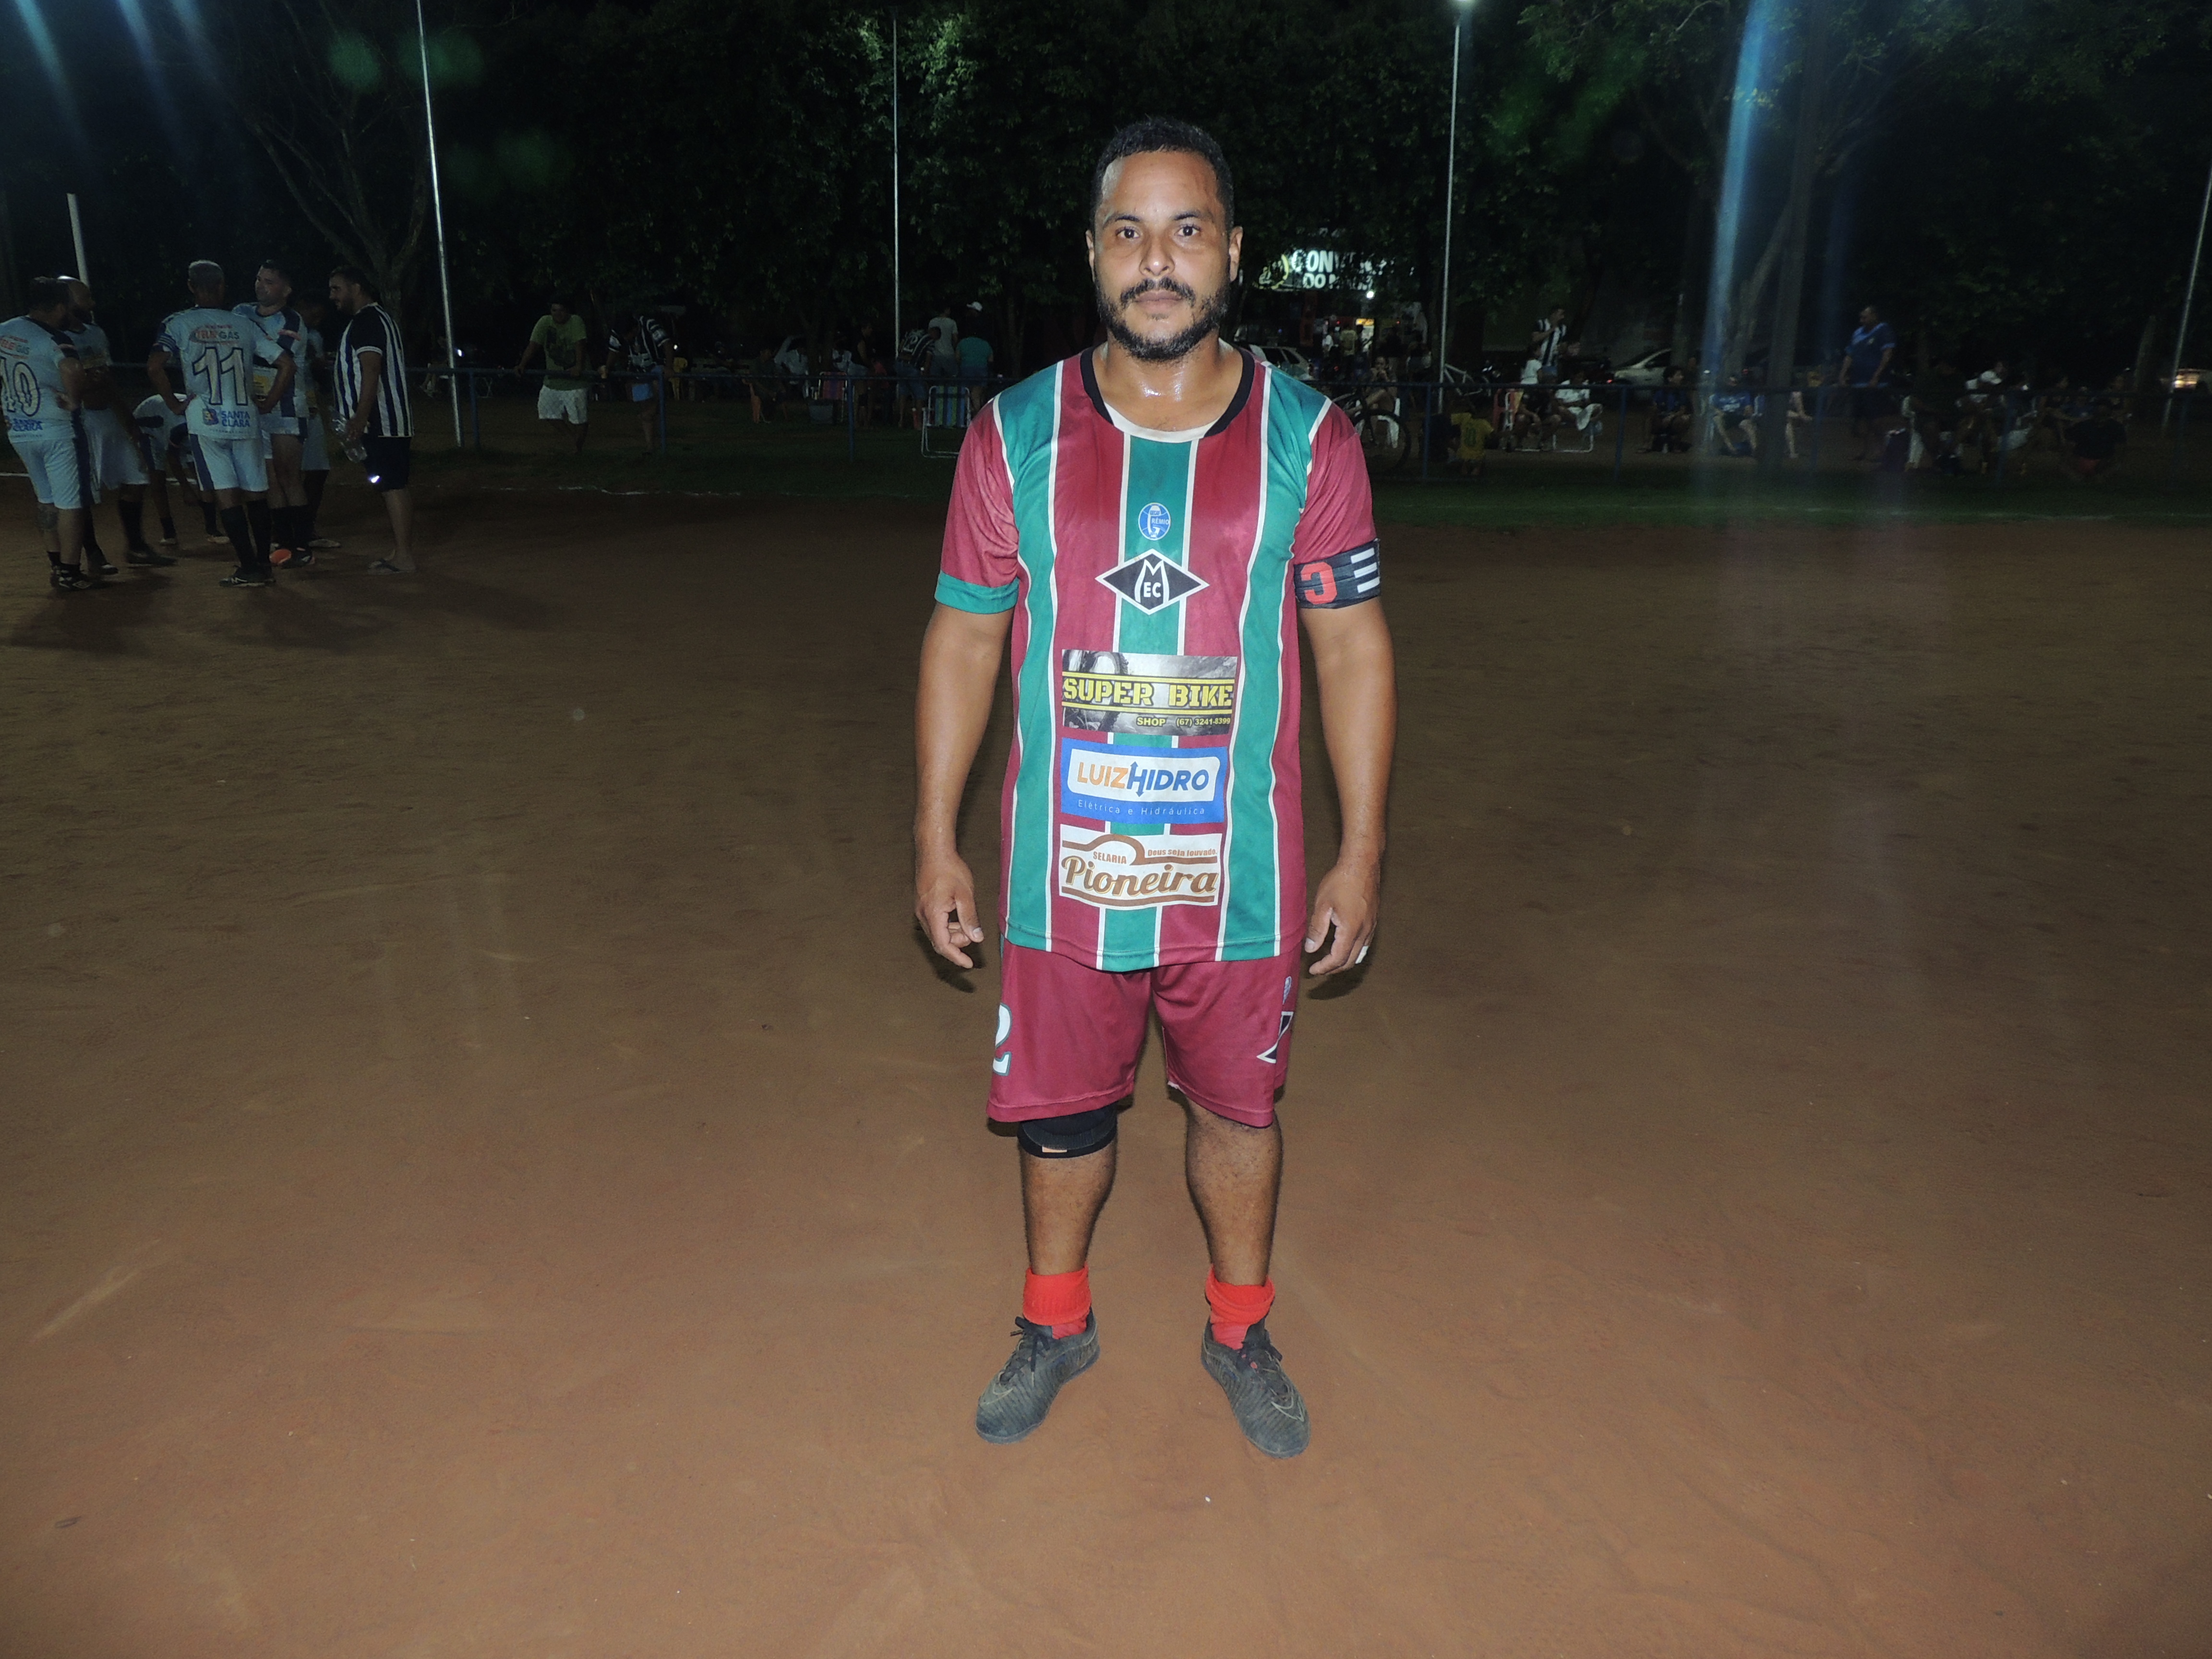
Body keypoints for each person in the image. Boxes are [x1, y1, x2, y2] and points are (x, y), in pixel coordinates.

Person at [914, 118, 1395, 1459]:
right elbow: (963, 636)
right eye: (1128, 233)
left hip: (1241, 874)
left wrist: (1360, 851)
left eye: (1188, 231)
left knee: (1240, 1107)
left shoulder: (1311, 438)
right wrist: (935, 837)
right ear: (1092, 254)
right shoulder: (1014, 432)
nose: (1158, 261)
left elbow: (1351, 647)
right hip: (1061, 869)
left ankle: (1240, 1331)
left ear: (1233, 252)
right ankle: (1054, 1320)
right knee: (1060, 1116)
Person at [148, 261, 292, 586]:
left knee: (226, 495)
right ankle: (263, 565)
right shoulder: (244, 324)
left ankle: (248, 568)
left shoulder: (178, 323)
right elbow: (287, 364)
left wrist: (174, 404)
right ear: (223, 286)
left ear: (191, 286)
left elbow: (155, 366)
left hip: (207, 421)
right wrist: (269, 402)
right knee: (256, 492)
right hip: (245, 417)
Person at [62, 276, 173, 569]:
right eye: (85, 298)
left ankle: (136, 547)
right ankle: (93, 554)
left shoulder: (95, 333)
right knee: (82, 492)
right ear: (68, 303)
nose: (91, 303)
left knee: (135, 478)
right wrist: (87, 384)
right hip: (80, 421)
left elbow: (109, 380)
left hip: (106, 417)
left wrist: (129, 421)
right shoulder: (57, 339)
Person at [2, 277, 100, 591]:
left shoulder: (5, 330)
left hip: (21, 429)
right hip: (56, 429)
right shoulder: (55, 338)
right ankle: (70, 572)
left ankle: (57, 565)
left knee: (46, 499)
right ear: (59, 307)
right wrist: (74, 400)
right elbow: (73, 369)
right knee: (70, 503)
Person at [328, 265, 416, 573]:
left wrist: (360, 417)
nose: (333, 296)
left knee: (392, 485)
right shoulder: (377, 319)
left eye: (337, 289)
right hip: (385, 421)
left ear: (357, 288)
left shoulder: (367, 321)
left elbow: (371, 368)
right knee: (391, 484)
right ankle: (400, 552)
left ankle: (404, 556)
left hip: (382, 422)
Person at [236, 261, 314, 567]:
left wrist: (269, 401)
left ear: (286, 290)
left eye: (269, 281)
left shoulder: (292, 321)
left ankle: (303, 546)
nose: (261, 285)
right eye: (259, 279)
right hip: (257, 408)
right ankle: (284, 543)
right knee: (269, 477)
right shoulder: (242, 311)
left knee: (289, 476)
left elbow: (274, 359)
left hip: (286, 407)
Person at [514, 296, 592, 453]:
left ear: (568, 311)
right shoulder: (545, 322)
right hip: (553, 379)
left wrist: (579, 366)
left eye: (561, 310)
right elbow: (534, 344)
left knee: (579, 418)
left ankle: (577, 447)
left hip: (575, 381)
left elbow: (580, 344)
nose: (558, 314)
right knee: (546, 411)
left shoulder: (575, 321)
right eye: (554, 310)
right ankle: (574, 443)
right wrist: (522, 364)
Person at [292, 294, 338, 550]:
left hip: (309, 406)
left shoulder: (314, 337)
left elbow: (318, 371)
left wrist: (322, 367)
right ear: (301, 306)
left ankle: (306, 529)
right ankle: (283, 532)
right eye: (315, 314)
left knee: (318, 469)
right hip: (281, 407)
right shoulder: (280, 329)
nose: (317, 321)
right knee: (284, 471)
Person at [604, 311, 673, 449]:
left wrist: (669, 367)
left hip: (656, 367)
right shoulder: (619, 331)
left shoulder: (649, 325)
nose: (626, 339)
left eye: (628, 335)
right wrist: (607, 368)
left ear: (635, 329)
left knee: (653, 404)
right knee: (645, 409)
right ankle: (650, 446)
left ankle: (653, 420)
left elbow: (667, 343)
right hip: (637, 371)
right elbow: (614, 350)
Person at [1838, 304, 1897, 459]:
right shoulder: (1858, 333)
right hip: (1858, 383)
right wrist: (1842, 375)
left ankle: (1883, 450)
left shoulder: (1883, 330)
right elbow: (1850, 355)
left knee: (1877, 420)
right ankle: (1865, 451)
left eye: (1865, 317)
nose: (1862, 320)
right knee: (1861, 421)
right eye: (1861, 317)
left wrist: (1876, 376)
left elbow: (1887, 354)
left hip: (1876, 385)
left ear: (1874, 316)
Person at [2062, 399, 2126, 481]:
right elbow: (2069, 446)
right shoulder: (2083, 426)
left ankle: (2099, 477)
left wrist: (2108, 469)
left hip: (2103, 462)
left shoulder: (2117, 428)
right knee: (2063, 464)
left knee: (2116, 466)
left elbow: (2120, 450)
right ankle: (2080, 477)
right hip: (2081, 460)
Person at [1707, 372, 1759, 456]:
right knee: (1717, 420)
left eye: (1735, 383)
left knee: (1748, 424)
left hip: (1739, 416)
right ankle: (1731, 448)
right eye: (1730, 382)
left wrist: (1748, 410)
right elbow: (1712, 406)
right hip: (1725, 417)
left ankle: (1755, 450)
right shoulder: (1719, 395)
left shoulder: (1744, 394)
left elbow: (1749, 407)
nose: (1732, 385)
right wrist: (1718, 411)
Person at [1647, 366, 1693, 453]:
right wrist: (1658, 414)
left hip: (1674, 419)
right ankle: (1647, 444)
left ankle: (1676, 445)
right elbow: (1654, 407)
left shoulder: (1682, 393)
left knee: (1685, 420)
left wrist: (1671, 417)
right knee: (1648, 417)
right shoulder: (1660, 392)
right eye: (1678, 375)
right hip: (1661, 418)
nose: (1682, 378)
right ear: (1670, 379)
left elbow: (1683, 410)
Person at [957, 314, 996, 412]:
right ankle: (977, 414)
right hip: (982, 372)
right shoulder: (986, 344)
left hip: (966, 371)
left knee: (966, 392)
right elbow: (991, 360)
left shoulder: (963, 343)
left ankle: (970, 411)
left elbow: (957, 358)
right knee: (977, 396)